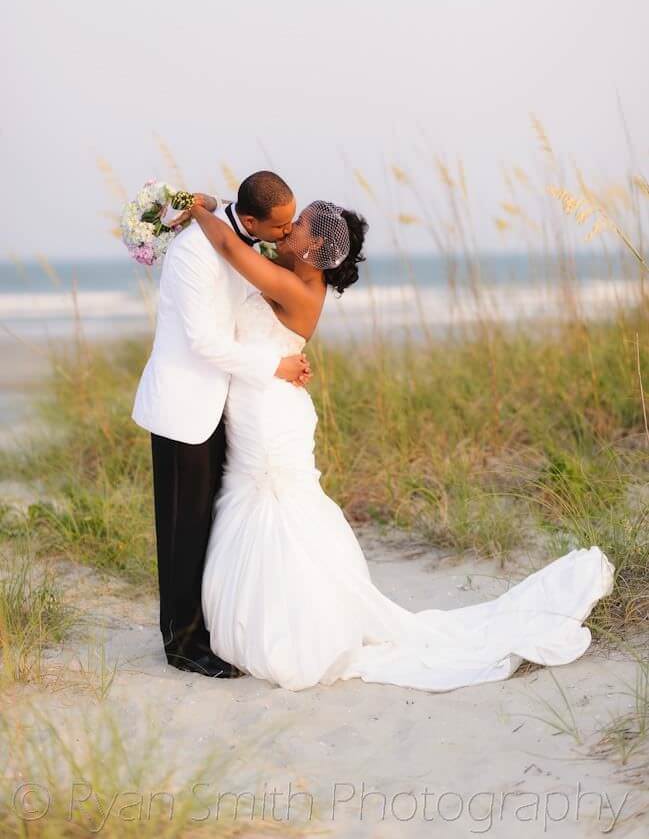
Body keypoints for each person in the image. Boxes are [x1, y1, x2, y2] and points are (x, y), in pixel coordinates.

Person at [176, 196, 615, 693]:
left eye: (297, 225)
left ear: (316, 245)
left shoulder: (300, 286)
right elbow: (240, 255)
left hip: (271, 414)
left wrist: (196, 209)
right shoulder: (285, 266)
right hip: (257, 403)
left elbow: (233, 250)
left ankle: (295, 628)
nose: (289, 228)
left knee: (278, 503)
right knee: (259, 501)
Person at [131, 171, 313, 677]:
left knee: (205, 526)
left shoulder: (239, 234)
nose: (285, 235)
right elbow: (204, 343)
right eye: (279, 228)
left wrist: (204, 201)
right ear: (251, 219)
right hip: (182, 404)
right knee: (182, 529)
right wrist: (274, 366)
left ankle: (200, 630)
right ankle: (183, 646)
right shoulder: (194, 254)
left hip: (221, 403)